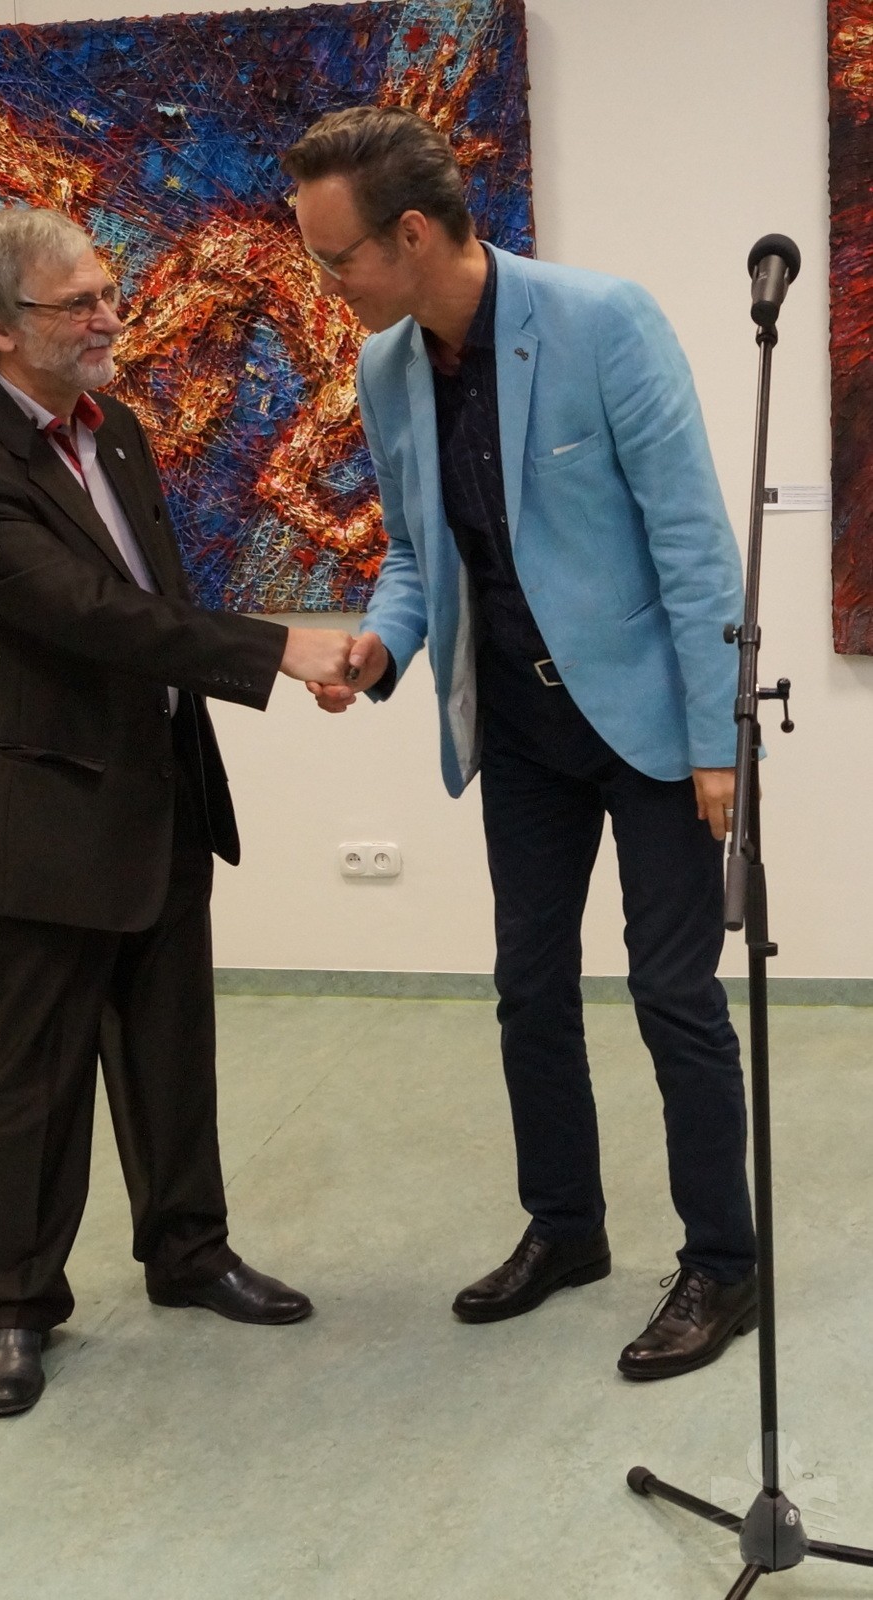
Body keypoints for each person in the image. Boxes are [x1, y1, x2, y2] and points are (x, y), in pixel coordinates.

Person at [284, 107, 758, 1380]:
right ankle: (567, 1227)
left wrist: (719, 740)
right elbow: (412, 550)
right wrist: (381, 645)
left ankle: (724, 1262)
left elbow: (693, 541)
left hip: (653, 728)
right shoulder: (389, 368)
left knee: (673, 995)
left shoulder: (605, 321)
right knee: (528, 987)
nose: (325, 283)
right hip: (520, 727)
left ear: (413, 233)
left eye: (336, 258)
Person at [0, 205, 353, 1416]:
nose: (113, 316)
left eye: (109, 290)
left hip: (158, 793)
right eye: (81, 303)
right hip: (39, 816)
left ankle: (189, 1252)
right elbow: (91, 615)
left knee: (169, 1049)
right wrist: (279, 651)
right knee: (34, 1077)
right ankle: (17, 1305)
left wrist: (246, 662)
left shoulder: (120, 433)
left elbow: (155, 595)